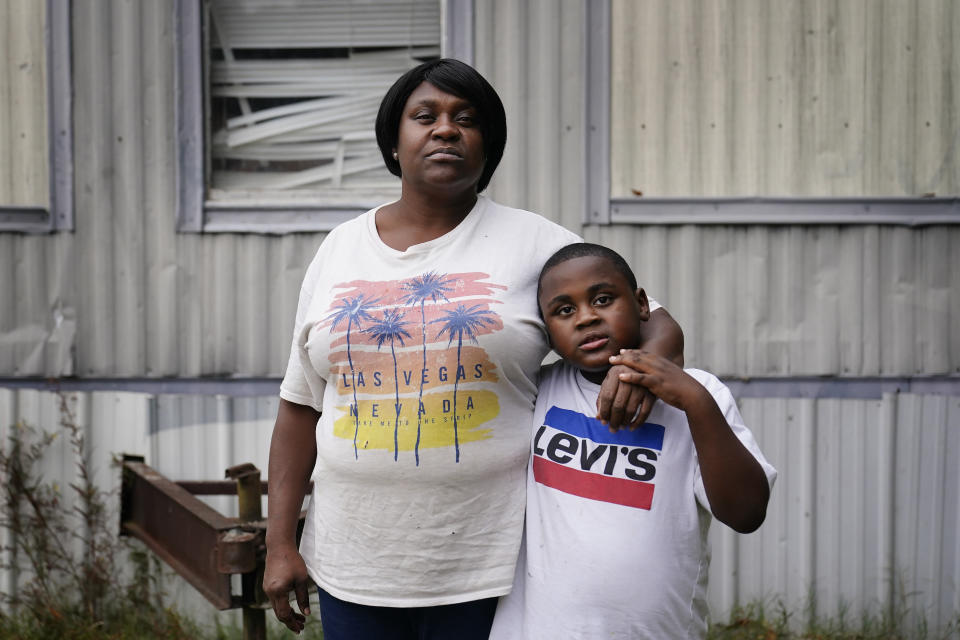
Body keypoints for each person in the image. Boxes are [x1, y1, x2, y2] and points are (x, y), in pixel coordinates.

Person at [262, 60, 684, 639]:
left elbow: (650, 316)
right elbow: (299, 406)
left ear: (489, 146)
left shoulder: (536, 243)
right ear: (394, 140)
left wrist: (637, 371)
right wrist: (278, 543)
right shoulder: (339, 249)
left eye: (467, 118)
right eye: (424, 116)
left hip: (491, 570)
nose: (445, 129)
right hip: (352, 563)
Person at [489, 242, 777, 640]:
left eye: (603, 299)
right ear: (546, 331)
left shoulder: (698, 394)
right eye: (564, 310)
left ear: (642, 304)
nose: (587, 318)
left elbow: (746, 513)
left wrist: (694, 401)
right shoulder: (536, 391)